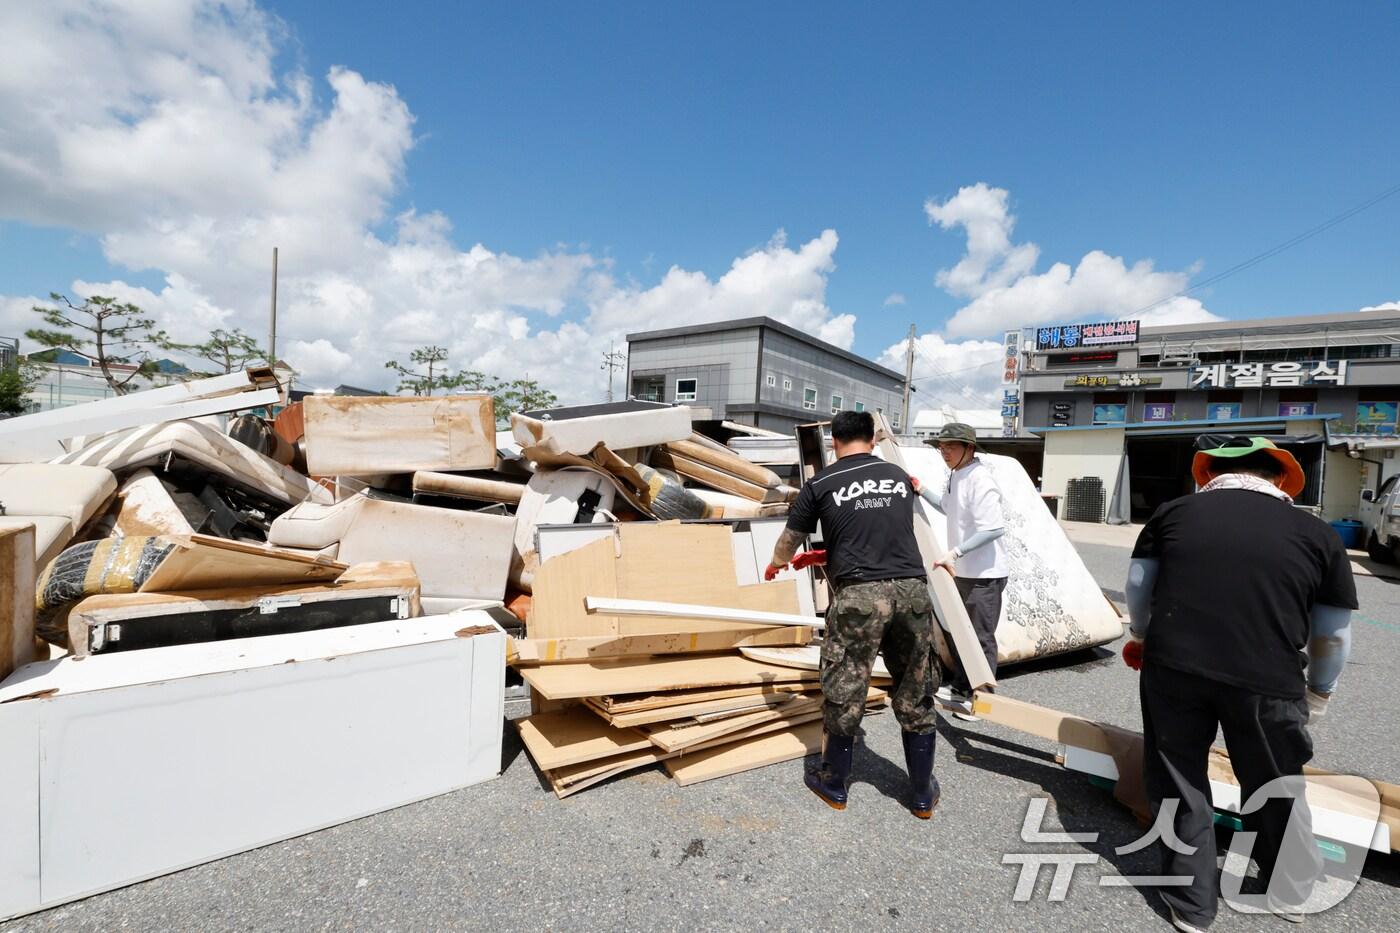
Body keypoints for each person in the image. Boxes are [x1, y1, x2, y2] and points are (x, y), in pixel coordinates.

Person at [1123, 436, 1356, 932]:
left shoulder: (1174, 513)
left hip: (1175, 668)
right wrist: (1320, 690)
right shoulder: (1317, 534)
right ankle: (1289, 890)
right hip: (1269, 680)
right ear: (1279, 479)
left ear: (1208, 474)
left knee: (1179, 778)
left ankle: (1191, 906)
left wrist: (1141, 635)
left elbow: (1139, 587)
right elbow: (1332, 634)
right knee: (1276, 782)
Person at [765, 410, 941, 818]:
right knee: (915, 687)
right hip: (912, 591)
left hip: (860, 597)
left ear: (834, 442)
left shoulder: (821, 482)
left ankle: (834, 784)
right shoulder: (899, 478)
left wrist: (777, 563)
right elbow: (878, 533)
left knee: (845, 685)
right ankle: (920, 794)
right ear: (872, 440)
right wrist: (828, 555)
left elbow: (788, 540)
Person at [910, 422, 1008, 721]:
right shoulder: (957, 475)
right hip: (964, 571)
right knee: (963, 634)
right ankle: (962, 689)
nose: (944, 452)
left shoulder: (981, 479)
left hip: (985, 573)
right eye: (941, 447)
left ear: (969, 448)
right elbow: (947, 507)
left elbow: (994, 528)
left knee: (980, 637)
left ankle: (984, 701)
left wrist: (954, 552)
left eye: (950, 446)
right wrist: (921, 489)